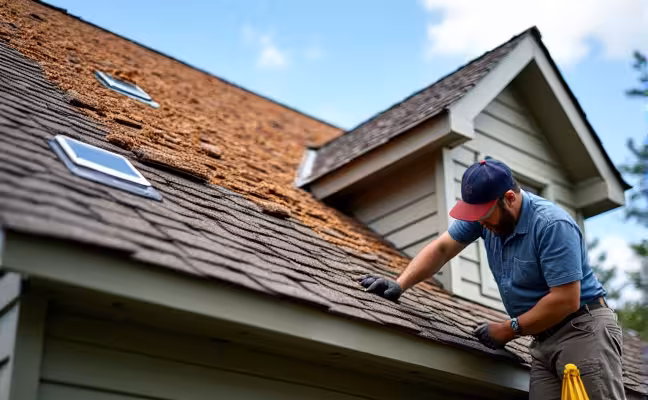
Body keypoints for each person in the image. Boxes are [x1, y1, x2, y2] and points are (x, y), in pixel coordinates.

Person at [358, 158, 625, 400]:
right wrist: (399, 283)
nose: (480, 224)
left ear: (509, 198)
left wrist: (507, 329)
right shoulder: (485, 216)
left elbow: (566, 299)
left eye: (484, 216)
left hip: (581, 330)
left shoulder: (552, 225)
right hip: (542, 339)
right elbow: (442, 249)